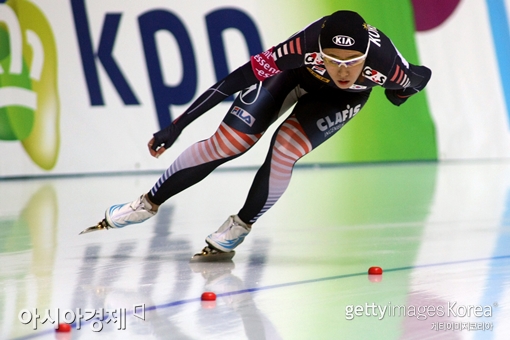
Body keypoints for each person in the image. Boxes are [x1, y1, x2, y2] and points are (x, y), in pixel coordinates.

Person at [81, 10, 431, 261]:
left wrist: (397, 94)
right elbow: (234, 81)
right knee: (230, 141)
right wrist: (178, 125)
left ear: (367, 56)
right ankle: (146, 204)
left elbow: (419, 79)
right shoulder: (301, 47)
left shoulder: (390, 68)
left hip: (342, 100)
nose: (341, 69)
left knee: (285, 148)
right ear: (318, 49)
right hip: (292, 77)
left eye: (352, 61)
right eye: (331, 59)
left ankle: (239, 227)